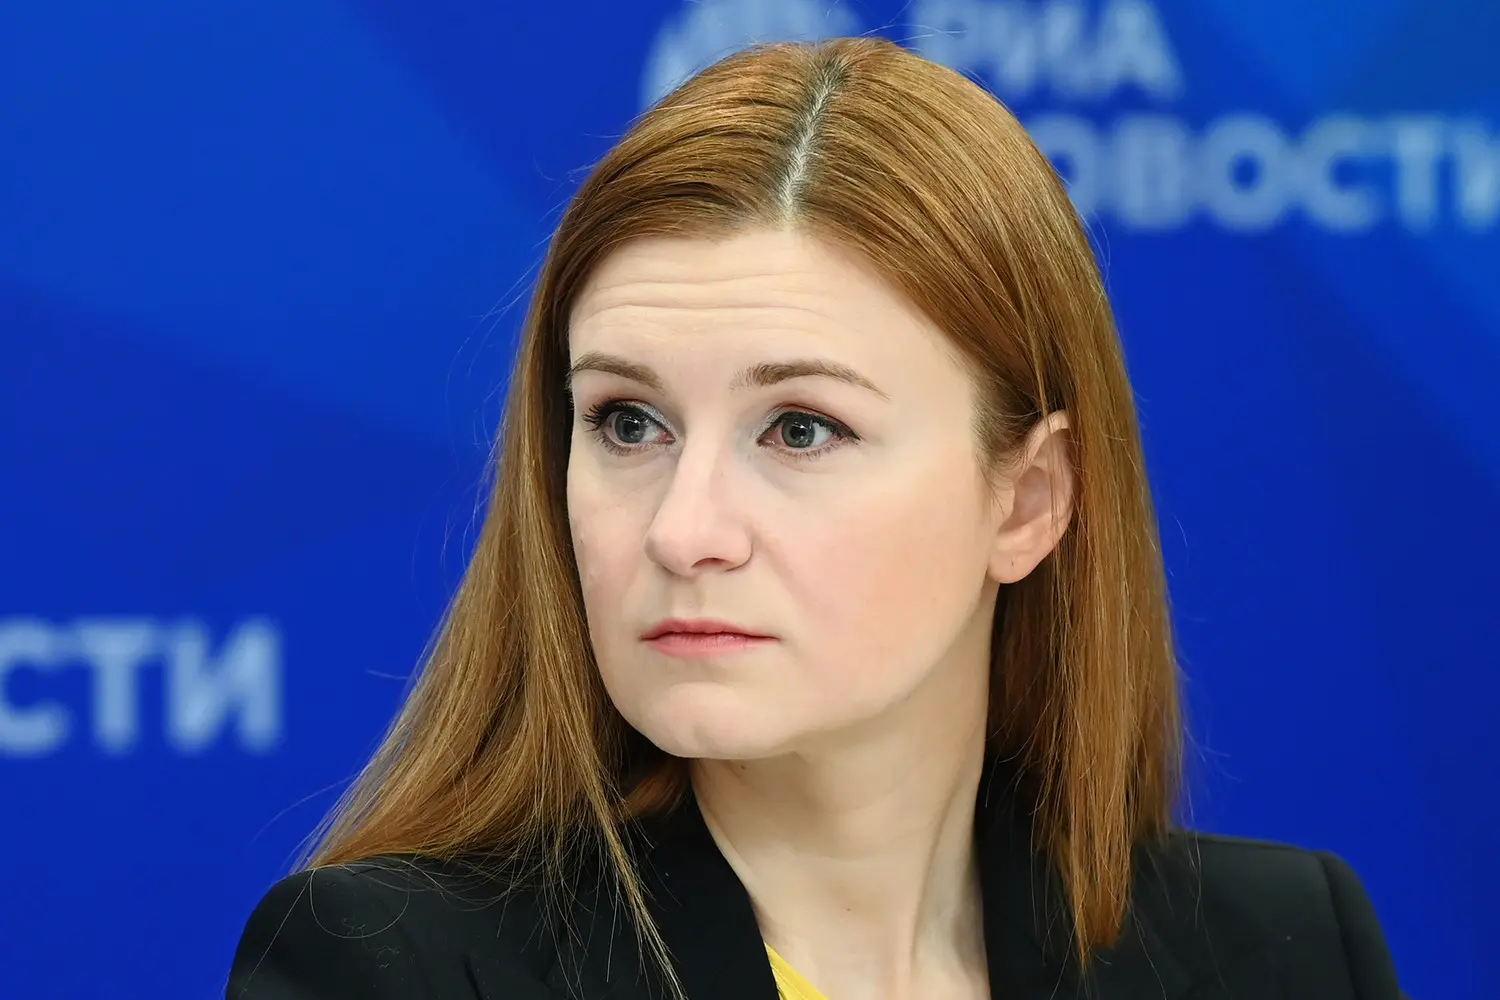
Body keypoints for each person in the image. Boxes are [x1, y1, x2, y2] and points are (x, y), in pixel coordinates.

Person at [225, 37, 1404, 1000]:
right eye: (628, 422)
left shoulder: (1287, 950)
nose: (684, 530)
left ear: (1030, 498)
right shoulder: (393, 969)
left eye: (799, 429)